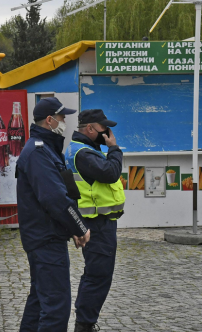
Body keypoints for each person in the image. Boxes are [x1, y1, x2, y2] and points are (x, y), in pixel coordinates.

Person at [16, 97, 91, 332]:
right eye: (62, 117)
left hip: (45, 237)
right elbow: (55, 199)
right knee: (56, 307)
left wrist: (71, 228)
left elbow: (63, 191)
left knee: (40, 301)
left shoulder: (46, 148)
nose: (65, 121)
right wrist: (79, 227)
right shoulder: (39, 152)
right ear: (50, 120)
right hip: (45, 240)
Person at [64, 109, 125, 332]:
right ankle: (84, 325)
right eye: (103, 129)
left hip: (99, 221)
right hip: (96, 224)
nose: (107, 133)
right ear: (90, 128)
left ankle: (85, 322)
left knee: (98, 273)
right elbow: (110, 173)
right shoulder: (83, 153)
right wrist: (114, 148)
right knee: (98, 274)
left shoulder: (86, 149)